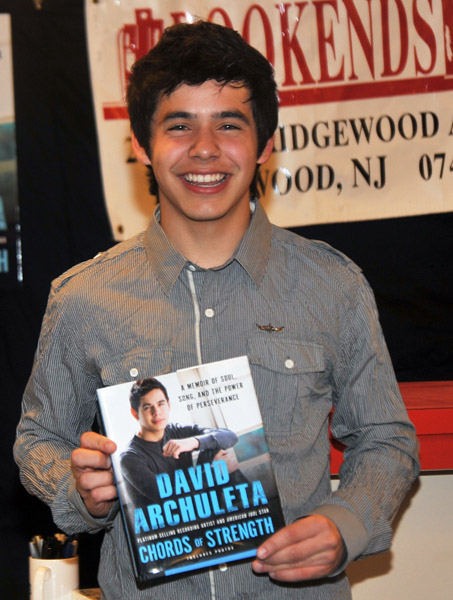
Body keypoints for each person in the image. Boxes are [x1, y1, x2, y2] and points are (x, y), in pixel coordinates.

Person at [15, 20, 419, 600]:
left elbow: (387, 439)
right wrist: (78, 488)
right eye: (178, 125)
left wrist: (345, 524)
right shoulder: (82, 299)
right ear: (140, 145)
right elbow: (37, 439)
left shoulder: (334, 286)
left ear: (265, 145)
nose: (204, 149)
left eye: (229, 124)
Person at [120, 377, 240, 506]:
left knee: (212, 448)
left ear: (169, 405)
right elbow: (167, 498)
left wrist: (192, 442)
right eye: (148, 407)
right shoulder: (130, 458)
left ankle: (246, 506)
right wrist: (214, 473)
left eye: (161, 404)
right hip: (169, 521)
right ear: (135, 413)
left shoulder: (176, 432)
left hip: (196, 505)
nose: (157, 412)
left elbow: (231, 436)